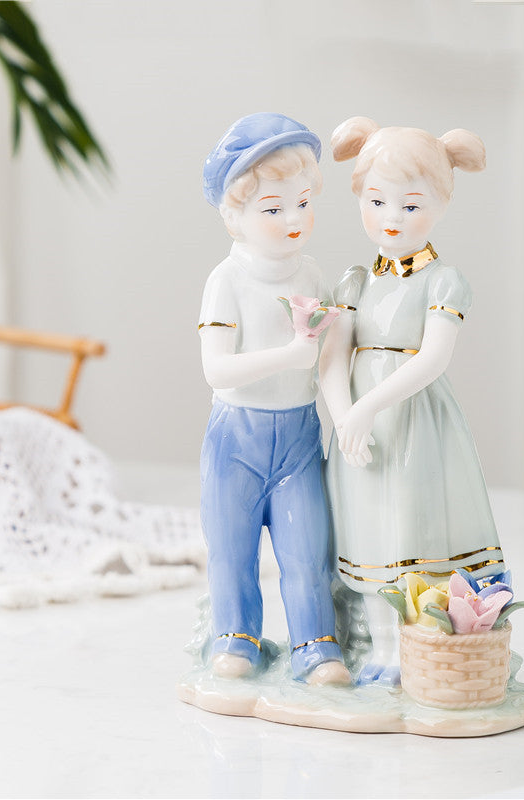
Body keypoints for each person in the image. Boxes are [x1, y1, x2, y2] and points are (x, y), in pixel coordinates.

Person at [321, 117, 507, 685]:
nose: (392, 217)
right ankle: (376, 645)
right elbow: (331, 359)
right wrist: (345, 417)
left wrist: (368, 408)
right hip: (358, 429)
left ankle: (416, 646)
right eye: (377, 201)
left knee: (411, 525)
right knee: (365, 529)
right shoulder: (356, 282)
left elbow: (432, 359)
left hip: (414, 421)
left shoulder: (443, 280)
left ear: (440, 205)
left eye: (411, 205)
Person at [199, 112, 350, 686]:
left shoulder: (310, 274)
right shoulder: (227, 280)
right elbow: (216, 369)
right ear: (233, 215)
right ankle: (236, 637)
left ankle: (315, 644)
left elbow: (330, 355)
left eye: (304, 202)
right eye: (273, 208)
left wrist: (346, 412)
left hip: (298, 437)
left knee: (306, 549)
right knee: (231, 550)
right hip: (236, 438)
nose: (294, 219)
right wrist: (291, 355)